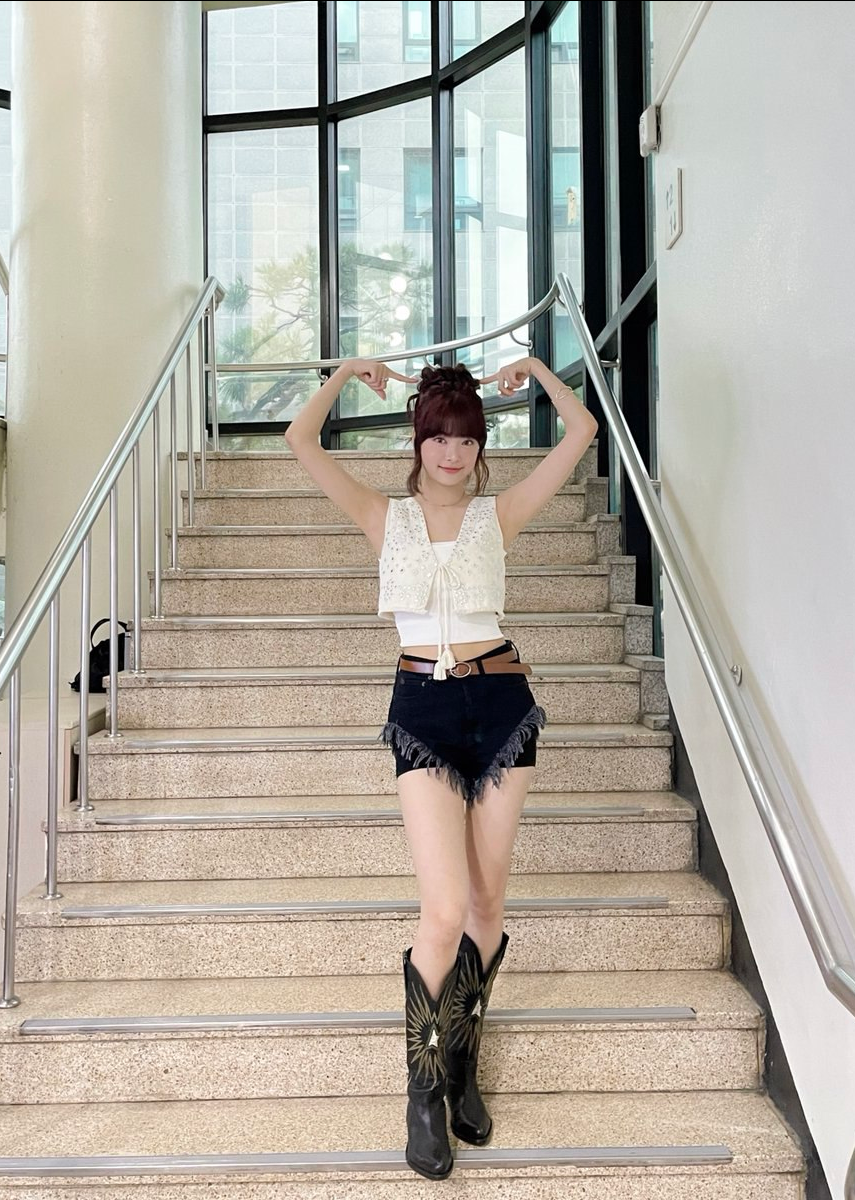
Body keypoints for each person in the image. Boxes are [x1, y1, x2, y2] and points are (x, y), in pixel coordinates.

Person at [284, 355, 599, 1180]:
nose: (452, 454)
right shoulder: (382, 515)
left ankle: (462, 1062)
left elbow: (582, 431)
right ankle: (424, 1093)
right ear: (418, 440)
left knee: (488, 902)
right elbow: (300, 439)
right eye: (439, 437)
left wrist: (536, 368)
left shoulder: (501, 513)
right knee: (445, 906)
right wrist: (345, 373)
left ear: (480, 446)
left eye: (466, 439)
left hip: (502, 704)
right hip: (422, 709)